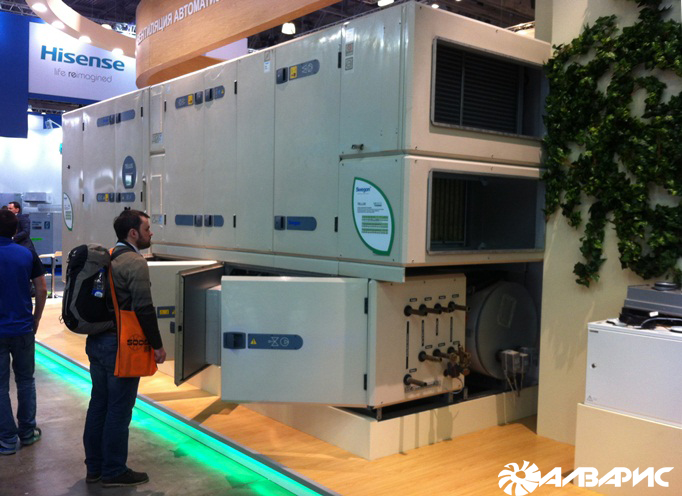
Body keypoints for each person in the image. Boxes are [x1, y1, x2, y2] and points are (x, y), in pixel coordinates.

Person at [82, 209, 166, 487]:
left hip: (97, 342)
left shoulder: (106, 257)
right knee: (119, 410)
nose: (150, 233)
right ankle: (114, 471)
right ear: (133, 233)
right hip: (121, 346)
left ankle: (94, 468)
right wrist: (157, 345)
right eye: (147, 229)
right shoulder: (135, 262)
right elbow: (144, 308)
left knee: (99, 405)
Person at [0, 209, 47, 455]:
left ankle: (7, 440)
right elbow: (42, 289)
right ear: (16, 230)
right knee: (26, 381)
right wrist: (36, 318)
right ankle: (27, 432)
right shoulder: (26, 254)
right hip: (23, 328)